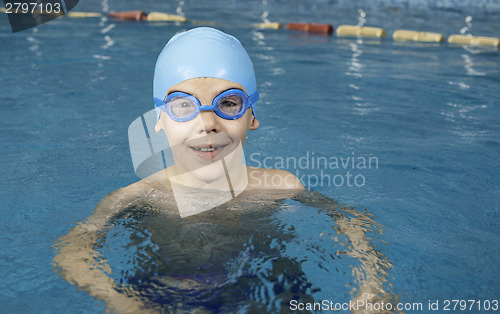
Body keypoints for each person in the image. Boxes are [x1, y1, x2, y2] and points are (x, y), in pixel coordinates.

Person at [53, 27, 397, 313]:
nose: (207, 123)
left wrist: (371, 284)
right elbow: (73, 250)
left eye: (228, 104)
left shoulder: (279, 185)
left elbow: (351, 220)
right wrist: (118, 298)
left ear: (252, 115)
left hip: (268, 292)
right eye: (183, 105)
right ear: (159, 119)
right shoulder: (138, 195)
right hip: (162, 296)